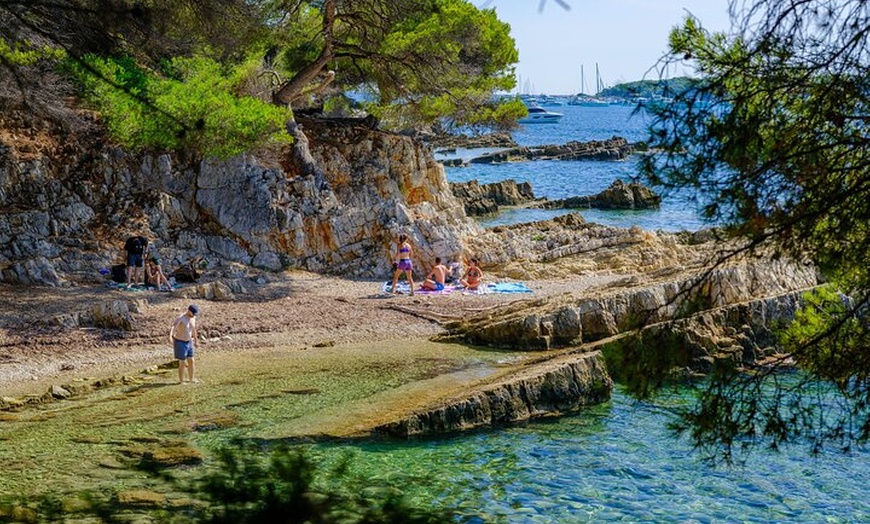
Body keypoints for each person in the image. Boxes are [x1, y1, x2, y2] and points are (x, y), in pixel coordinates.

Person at [169, 304, 200, 384]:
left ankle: (191, 379)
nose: (194, 315)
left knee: (191, 360)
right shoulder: (181, 318)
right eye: (193, 313)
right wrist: (170, 336)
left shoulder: (193, 318)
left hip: (189, 342)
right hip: (180, 342)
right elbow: (173, 327)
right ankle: (181, 381)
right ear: (189, 311)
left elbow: (193, 330)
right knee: (182, 362)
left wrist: (196, 341)